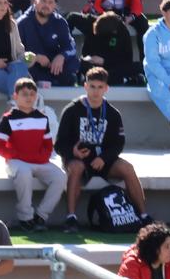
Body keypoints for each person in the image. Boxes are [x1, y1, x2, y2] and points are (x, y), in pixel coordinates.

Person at [56, 68, 148, 231]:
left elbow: (118, 143)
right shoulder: (72, 110)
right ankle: (71, 217)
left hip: (103, 160)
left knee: (127, 168)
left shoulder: (113, 113)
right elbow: (59, 144)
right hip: (78, 159)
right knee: (76, 168)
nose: (95, 91)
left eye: (100, 87)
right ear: (85, 86)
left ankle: (143, 216)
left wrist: (104, 158)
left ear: (106, 88)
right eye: (92, 86)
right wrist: (73, 153)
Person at [0, 77, 64, 230]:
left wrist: (40, 157)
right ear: (15, 96)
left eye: (32, 94)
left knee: (60, 177)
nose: (29, 97)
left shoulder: (42, 118)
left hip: (39, 161)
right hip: (16, 162)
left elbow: (47, 145)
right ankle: (25, 217)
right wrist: (17, 155)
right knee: (24, 172)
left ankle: (41, 216)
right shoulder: (8, 119)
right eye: (24, 94)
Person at [19, 0, 81, 87]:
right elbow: (16, 55)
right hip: (32, 66)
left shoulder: (60, 22)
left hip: (53, 66)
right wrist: (36, 58)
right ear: (35, 2)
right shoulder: (22, 23)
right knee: (21, 65)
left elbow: (71, 46)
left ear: (54, 5)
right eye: (43, 1)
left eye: (50, 2)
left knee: (72, 62)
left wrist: (62, 56)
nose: (46, 5)